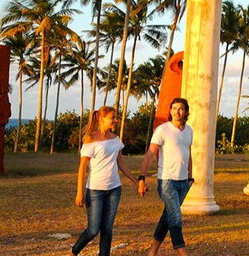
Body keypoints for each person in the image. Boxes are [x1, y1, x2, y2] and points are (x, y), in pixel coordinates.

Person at [72, 106, 140, 256]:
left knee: (107, 230)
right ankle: (74, 252)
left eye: (116, 117)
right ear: (102, 119)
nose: (116, 120)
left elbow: (121, 164)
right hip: (95, 190)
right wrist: (79, 193)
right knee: (93, 230)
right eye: (112, 118)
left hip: (114, 189)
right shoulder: (90, 139)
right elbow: (82, 168)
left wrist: (136, 182)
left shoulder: (116, 139)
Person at [139, 97, 194, 256]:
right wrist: (142, 178)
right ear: (170, 111)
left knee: (167, 217)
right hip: (167, 181)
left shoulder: (189, 131)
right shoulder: (162, 130)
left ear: (186, 112)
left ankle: (152, 251)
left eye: (181, 108)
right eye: (174, 108)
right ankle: (182, 251)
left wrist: (190, 177)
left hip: (183, 182)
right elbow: (150, 155)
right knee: (176, 218)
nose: (178, 111)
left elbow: (188, 155)